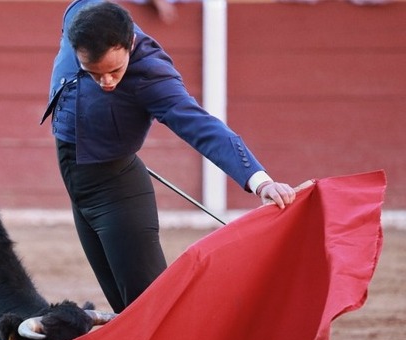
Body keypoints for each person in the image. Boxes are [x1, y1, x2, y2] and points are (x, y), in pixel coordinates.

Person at [41, 0, 297, 313]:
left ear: (130, 43)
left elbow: (202, 126)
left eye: (114, 71)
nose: (106, 82)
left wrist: (260, 181)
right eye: (93, 73)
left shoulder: (151, 75)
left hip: (116, 195)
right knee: (125, 310)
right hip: (80, 187)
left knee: (152, 309)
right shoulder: (77, 15)